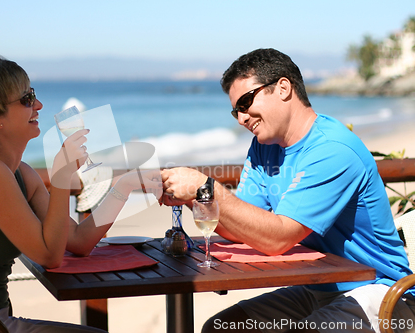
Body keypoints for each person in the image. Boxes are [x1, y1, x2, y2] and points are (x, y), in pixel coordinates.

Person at [161, 48, 415, 333]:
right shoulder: (264, 147)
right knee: (222, 327)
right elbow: (243, 226)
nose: (242, 118)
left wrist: (204, 186)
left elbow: (277, 237)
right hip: (318, 288)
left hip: (383, 292)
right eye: (236, 111)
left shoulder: (332, 149)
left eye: (246, 102)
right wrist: (192, 195)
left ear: (283, 88)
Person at [0, 55, 161, 333]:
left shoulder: (20, 172)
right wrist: (60, 178)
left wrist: (124, 186)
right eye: (27, 98)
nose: (39, 105)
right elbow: (49, 255)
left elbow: (78, 241)